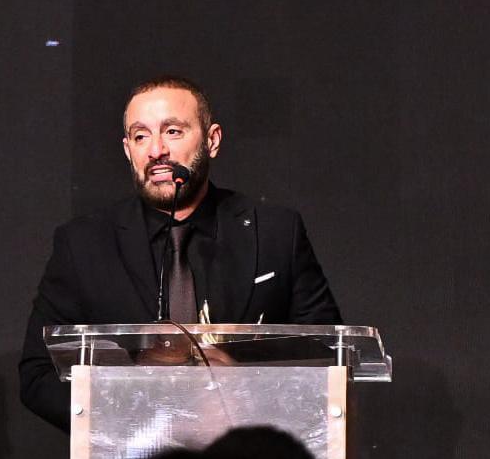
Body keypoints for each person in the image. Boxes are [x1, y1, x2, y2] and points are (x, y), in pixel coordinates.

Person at [19, 76, 341, 431]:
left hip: (249, 451)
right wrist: (131, 412)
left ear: (212, 140)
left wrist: (246, 393)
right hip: (133, 457)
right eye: (141, 136)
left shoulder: (276, 232)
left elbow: (328, 355)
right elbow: (39, 374)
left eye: (172, 131)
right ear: (127, 150)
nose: (156, 150)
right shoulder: (83, 243)